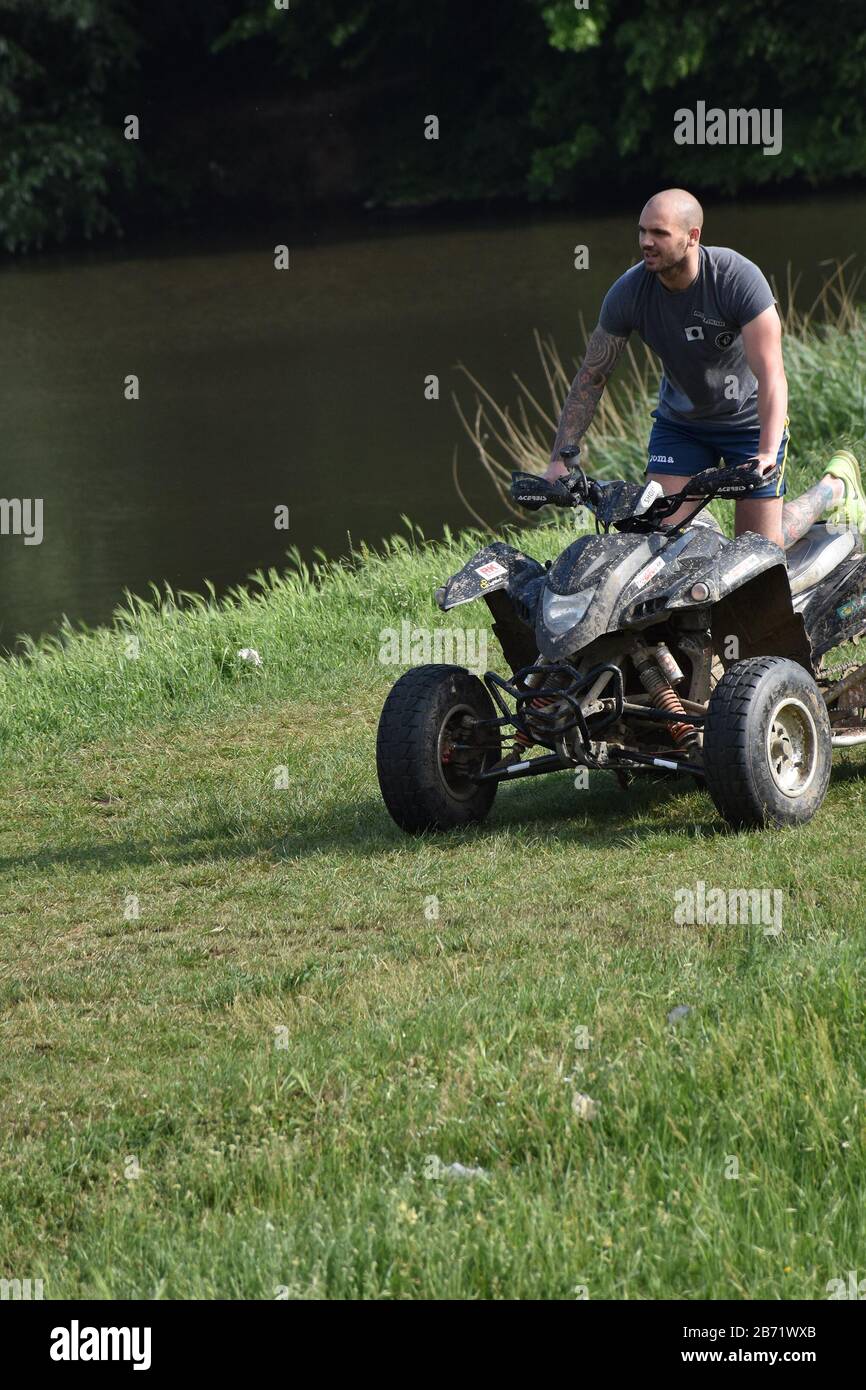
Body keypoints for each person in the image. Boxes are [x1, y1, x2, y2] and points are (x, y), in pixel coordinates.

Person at [544, 187, 865, 550]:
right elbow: (592, 376)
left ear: (692, 236)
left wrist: (765, 451)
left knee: (759, 551)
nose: (646, 242)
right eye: (642, 231)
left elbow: (772, 374)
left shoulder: (736, 279)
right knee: (656, 538)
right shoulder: (629, 293)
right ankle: (699, 527)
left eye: (659, 234)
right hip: (682, 426)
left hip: (748, 422)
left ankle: (832, 488)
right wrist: (560, 459)